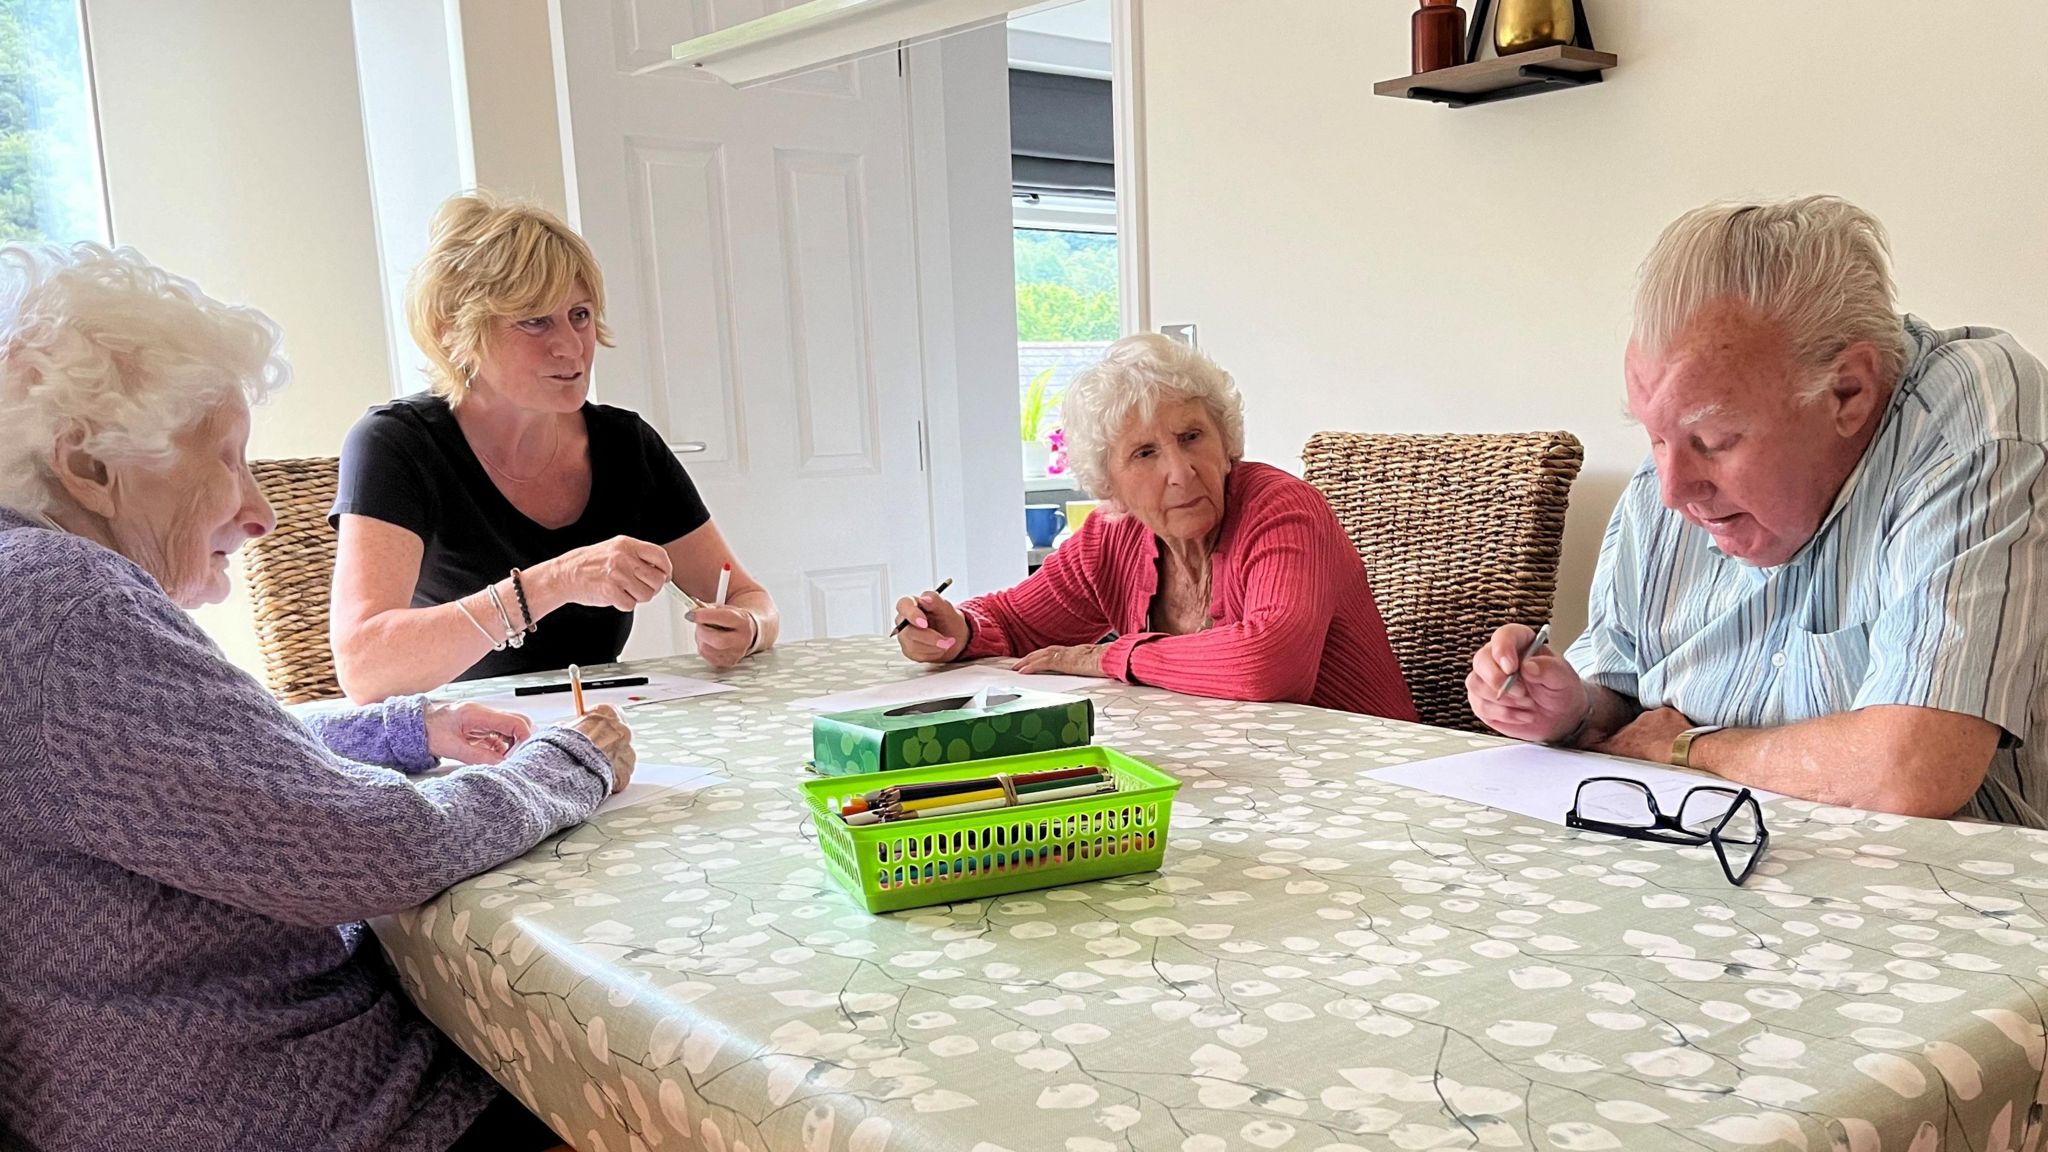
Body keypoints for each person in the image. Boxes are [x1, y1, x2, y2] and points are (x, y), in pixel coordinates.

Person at [0, 241, 632, 1151]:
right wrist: (571, 763)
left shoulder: (30, 591)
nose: (259, 511)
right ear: (90, 466)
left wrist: (405, 728)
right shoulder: (63, 604)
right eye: (226, 458)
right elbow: (375, 849)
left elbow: (211, 756)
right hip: (327, 1118)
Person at [1468, 195, 2048, 825]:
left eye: (1715, 442)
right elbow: (1622, 695)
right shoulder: (1677, 460)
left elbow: (1910, 772)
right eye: (1654, 438)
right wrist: (1569, 707)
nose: (1671, 490)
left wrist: (1688, 748)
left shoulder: (1972, 420)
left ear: (1848, 391)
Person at [329, 191, 776, 702]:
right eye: (535, 321)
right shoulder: (396, 444)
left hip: (603, 732)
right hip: (461, 749)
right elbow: (364, 669)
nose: (571, 346)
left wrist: (748, 627)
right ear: (457, 330)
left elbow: (750, 598)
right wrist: (556, 581)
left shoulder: (625, 444)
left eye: (580, 315)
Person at [895, 333, 1417, 719]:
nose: (1180, 471)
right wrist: (955, 631)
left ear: (1227, 441)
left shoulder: (1282, 509)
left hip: (1364, 777)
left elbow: (1268, 666)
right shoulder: (1114, 536)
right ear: (1110, 484)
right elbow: (1011, 624)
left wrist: (1107, 658)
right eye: (1145, 453)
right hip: (1237, 775)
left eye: (1192, 436)